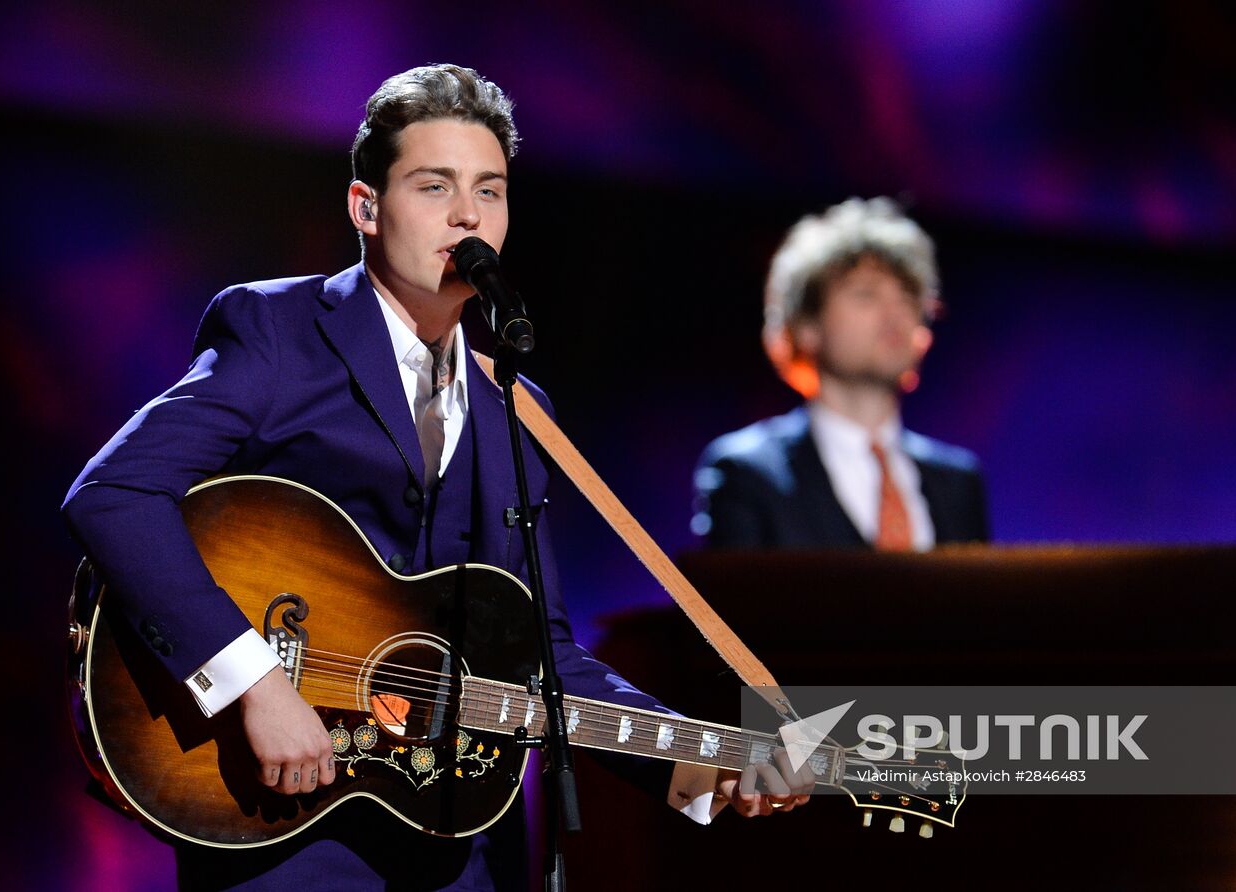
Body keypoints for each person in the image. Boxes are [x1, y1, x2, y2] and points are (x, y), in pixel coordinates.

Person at [63, 64, 808, 891]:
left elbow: (545, 657)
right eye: (434, 185)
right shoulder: (278, 333)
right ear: (366, 208)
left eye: (490, 191)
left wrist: (701, 763)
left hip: (458, 837)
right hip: (283, 820)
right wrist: (255, 682)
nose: (468, 215)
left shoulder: (518, 408)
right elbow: (117, 493)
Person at [693, 197, 990, 550]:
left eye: (908, 296)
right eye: (866, 295)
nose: (894, 313)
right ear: (806, 326)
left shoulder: (958, 482)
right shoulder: (750, 474)